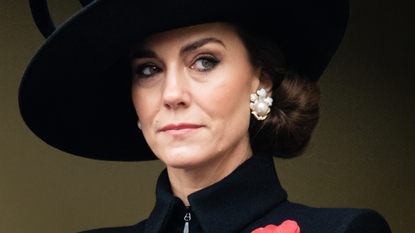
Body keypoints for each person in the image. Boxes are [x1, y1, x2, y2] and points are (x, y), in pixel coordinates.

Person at [19, 0, 391, 232]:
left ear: (259, 81)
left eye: (204, 61)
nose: (172, 95)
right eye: (149, 70)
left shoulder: (344, 230)